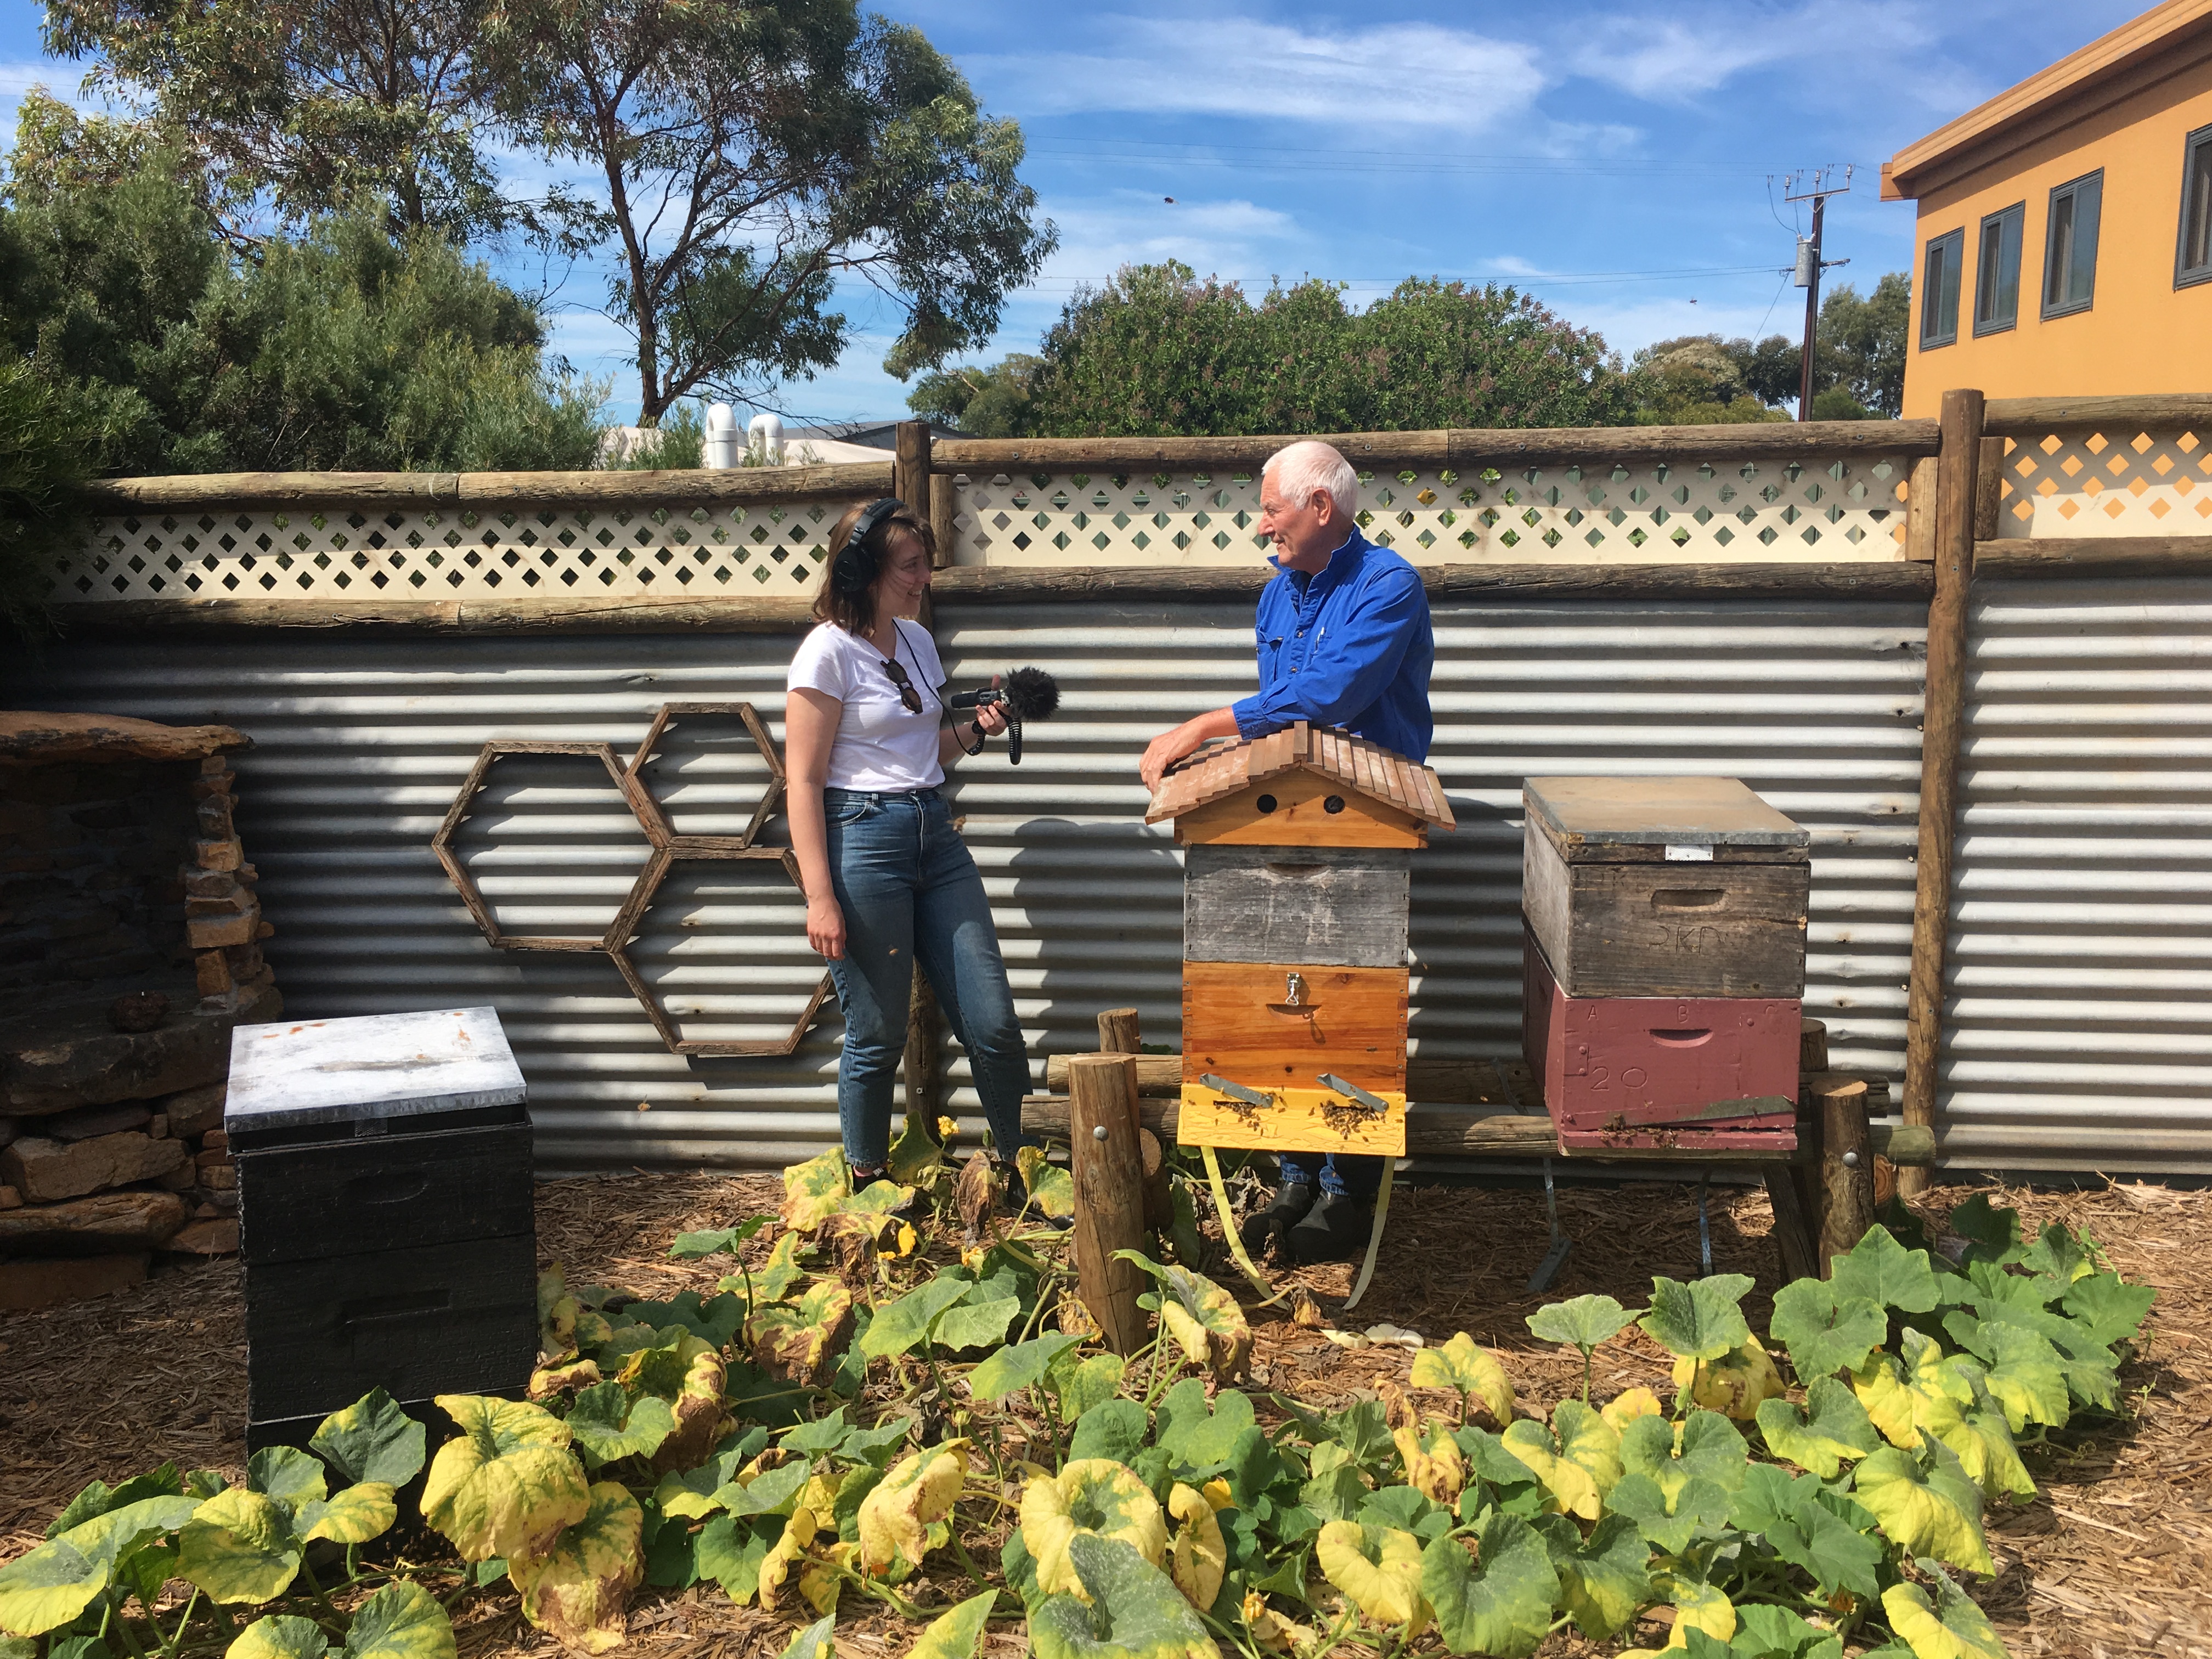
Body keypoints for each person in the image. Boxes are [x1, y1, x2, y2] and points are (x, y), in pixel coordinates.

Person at [1140, 440, 1434, 1263]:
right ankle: (1295, 1174)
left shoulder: (1388, 585)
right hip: (1283, 814)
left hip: (1366, 819)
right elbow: (1283, 715)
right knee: (1281, 999)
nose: (1260, 523)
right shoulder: (1277, 596)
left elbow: (1331, 695)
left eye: (1271, 507)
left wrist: (1201, 726)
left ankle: (1348, 1190)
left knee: (1347, 1005)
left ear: (1320, 508)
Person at [786, 497, 1034, 1190]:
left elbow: (930, 752)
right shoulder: (826, 653)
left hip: (934, 832)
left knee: (993, 1025)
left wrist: (979, 729)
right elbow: (801, 782)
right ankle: (866, 1189)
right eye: (911, 565)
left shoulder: (919, 642)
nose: (926, 576)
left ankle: (1021, 1172)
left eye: (926, 563)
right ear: (863, 568)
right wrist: (819, 898)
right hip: (863, 840)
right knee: (878, 1035)